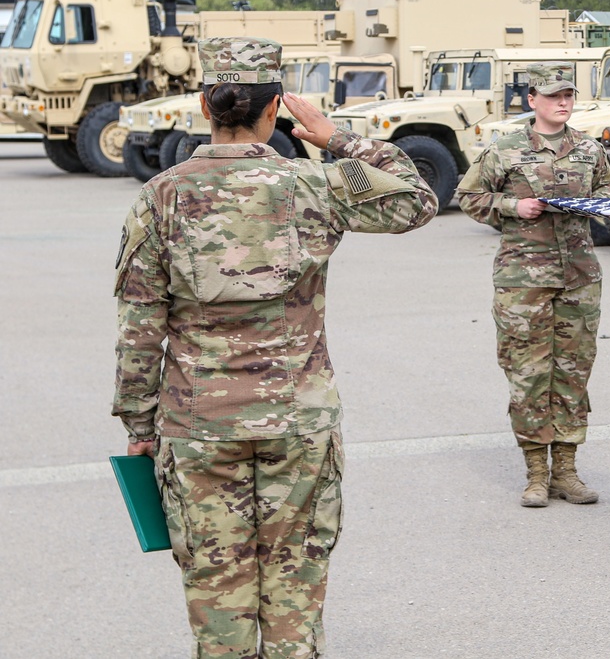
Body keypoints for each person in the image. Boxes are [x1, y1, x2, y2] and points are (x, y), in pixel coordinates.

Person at [112, 37, 437, 657]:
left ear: (206, 105)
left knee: (216, 586)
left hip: (197, 422)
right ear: (276, 110)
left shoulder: (161, 195)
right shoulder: (314, 185)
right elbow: (417, 199)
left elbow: (139, 322)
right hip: (297, 418)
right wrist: (337, 137)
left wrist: (138, 421)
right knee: (295, 580)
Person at [457, 62, 610, 508]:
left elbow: (607, 193)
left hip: (579, 278)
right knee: (528, 374)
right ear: (532, 101)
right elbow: (470, 197)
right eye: (552, 96)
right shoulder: (505, 150)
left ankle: (566, 470)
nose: (562, 103)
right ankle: (535, 474)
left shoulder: (588, 150)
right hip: (522, 280)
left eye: (567, 95)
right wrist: (513, 206)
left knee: (573, 373)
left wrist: (593, 205)